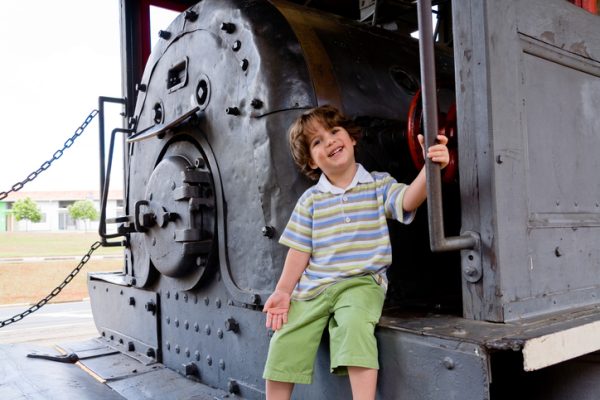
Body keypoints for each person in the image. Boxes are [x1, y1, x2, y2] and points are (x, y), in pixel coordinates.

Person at [262, 105, 449, 400]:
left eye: (334, 132)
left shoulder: (377, 184)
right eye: (317, 142)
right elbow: (299, 250)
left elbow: (409, 200)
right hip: (315, 286)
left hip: (361, 282)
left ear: (352, 139)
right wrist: (284, 291)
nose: (329, 141)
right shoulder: (310, 200)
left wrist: (429, 169)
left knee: (354, 326)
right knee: (285, 336)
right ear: (311, 160)